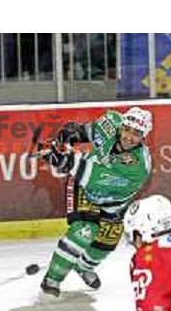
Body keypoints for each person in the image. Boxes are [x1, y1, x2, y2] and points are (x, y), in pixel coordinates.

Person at [40, 106, 153, 298]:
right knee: (85, 230)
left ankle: (82, 267)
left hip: (111, 200)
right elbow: (86, 132)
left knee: (108, 241)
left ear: (144, 137)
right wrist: (69, 136)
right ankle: (52, 279)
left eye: (136, 133)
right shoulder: (110, 123)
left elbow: (93, 176)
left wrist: (64, 161)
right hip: (83, 188)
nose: (129, 137)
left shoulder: (138, 166)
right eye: (127, 129)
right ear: (121, 126)